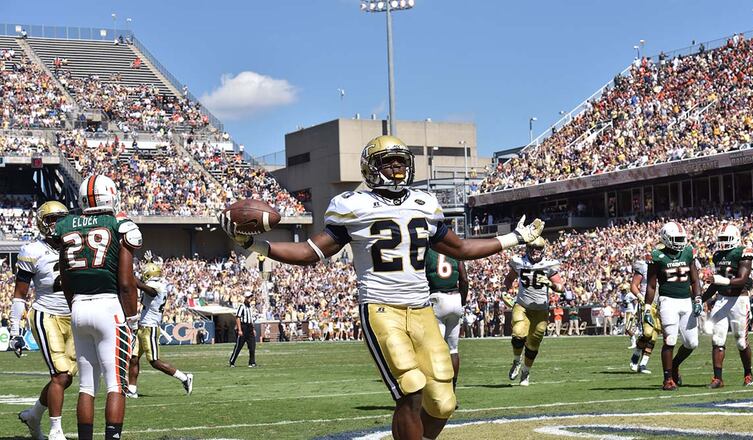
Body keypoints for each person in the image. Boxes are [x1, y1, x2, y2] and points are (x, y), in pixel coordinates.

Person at [219, 135, 544, 440]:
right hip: (381, 308)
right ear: (371, 168)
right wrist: (254, 245)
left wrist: (514, 238)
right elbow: (309, 252)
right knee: (411, 388)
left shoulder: (424, 202)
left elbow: (461, 249)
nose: (397, 168)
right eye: (388, 162)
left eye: (401, 162)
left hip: (422, 310)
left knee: (444, 401)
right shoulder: (353, 204)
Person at [55, 174, 142, 440]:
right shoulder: (120, 224)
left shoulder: (67, 224)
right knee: (116, 383)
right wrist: (133, 318)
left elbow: (65, 277)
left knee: (86, 386)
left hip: (79, 305)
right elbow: (126, 282)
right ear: (111, 195)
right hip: (108, 307)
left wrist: (75, 306)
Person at [13, 201, 74, 440]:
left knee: (66, 378)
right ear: (41, 222)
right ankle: (56, 431)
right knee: (60, 375)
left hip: (74, 315)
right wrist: (16, 330)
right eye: (52, 219)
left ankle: (34, 414)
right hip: (46, 313)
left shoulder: (76, 246)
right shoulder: (32, 250)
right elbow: (20, 295)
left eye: (61, 219)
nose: (57, 224)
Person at [643, 222, 701, 391]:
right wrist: (647, 308)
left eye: (682, 238)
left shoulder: (688, 252)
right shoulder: (656, 255)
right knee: (670, 340)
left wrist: (697, 299)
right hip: (668, 300)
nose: (680, 242)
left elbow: (695, 279)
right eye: (676, 239)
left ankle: (674, 365)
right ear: (666, 238)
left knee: (692, 343)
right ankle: (667, 378)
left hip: (686, 301)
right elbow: (652, 285)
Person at [700, 223, 753, 388]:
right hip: (722, 298)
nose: (723, 242)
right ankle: (718, 378)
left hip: (739, 299)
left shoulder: (743, 252)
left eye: (726, 239)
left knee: (741, 342)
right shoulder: (717, 255)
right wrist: (701, 298)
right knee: (717, 338)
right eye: (721, 239)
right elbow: (716, 284)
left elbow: (742, 280)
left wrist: (719, 280)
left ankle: (748, 374)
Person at [126, 262, 193, 398]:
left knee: (154, 361)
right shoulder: (157, 284)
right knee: (133, 358)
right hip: (142, 326)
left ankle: (185, 378)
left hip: (150, 328)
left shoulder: (156, 286)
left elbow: (146, 288)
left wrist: (128, 274)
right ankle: (132, 390)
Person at [502, 237, 563, 386]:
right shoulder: (519, 262)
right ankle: (516, 361)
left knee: (533, 343)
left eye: (539, 248)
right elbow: (508, 279)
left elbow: (561, 287)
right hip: (522, 305)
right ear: (527, 249)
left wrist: (550, 284)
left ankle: (526, 372)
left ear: (543, 250)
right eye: (533, 248)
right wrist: (506, 291)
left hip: (540, 310)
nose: (536, 251)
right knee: (518, 333)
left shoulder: (549, 265)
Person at [425, 247, 468, 391]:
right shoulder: (453, 250)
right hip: (455, 298)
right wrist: (462, 301)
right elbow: (464, 279)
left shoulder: (428, 251)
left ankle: (439, 390)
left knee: (435, 349)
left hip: (437, 298)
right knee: (453, 349)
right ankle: (452, 390)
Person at [629, 257, 659, 374]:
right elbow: (633, 286)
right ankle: (636, 354)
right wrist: (641, 298)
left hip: (660, 303)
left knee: (654, 336)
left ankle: (643, 364)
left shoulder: (666, 267)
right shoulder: (644, 266)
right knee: (647, 333)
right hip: (647, 304)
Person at [229, 292, 256, 367]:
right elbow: (238, 318)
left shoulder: (250, 307)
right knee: (238, 346)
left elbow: (251, 319)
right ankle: (232, 361)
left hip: (249, 327)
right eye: (249, 297)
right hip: (243, 327)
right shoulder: (242, 306)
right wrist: (240, 329)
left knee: (252, 346)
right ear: (246, 298)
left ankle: (252, 362)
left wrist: (253, 328)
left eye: (251, 297)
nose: (250, 299)